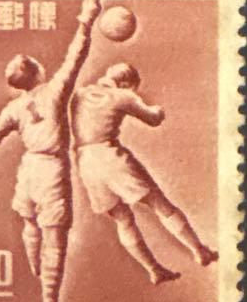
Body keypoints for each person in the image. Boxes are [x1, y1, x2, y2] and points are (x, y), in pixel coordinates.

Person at [0, 0, 102, 302]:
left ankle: (37, 272)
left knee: (30, 222)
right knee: (55, 238)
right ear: (37, 73)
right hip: (51, 169)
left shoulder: (14, 108)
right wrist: (86, 19)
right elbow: (75, 56)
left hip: (29, 170)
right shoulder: (54, 91)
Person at [71, 62, 218, 283]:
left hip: (85, 163)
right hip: (110, 157)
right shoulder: (123, 96)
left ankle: (154, 270)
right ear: (126, 83)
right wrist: (159, 110)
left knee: (122, 219)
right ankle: (200, 251)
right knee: (161, 206)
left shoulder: (80, 94)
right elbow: (153, 119)